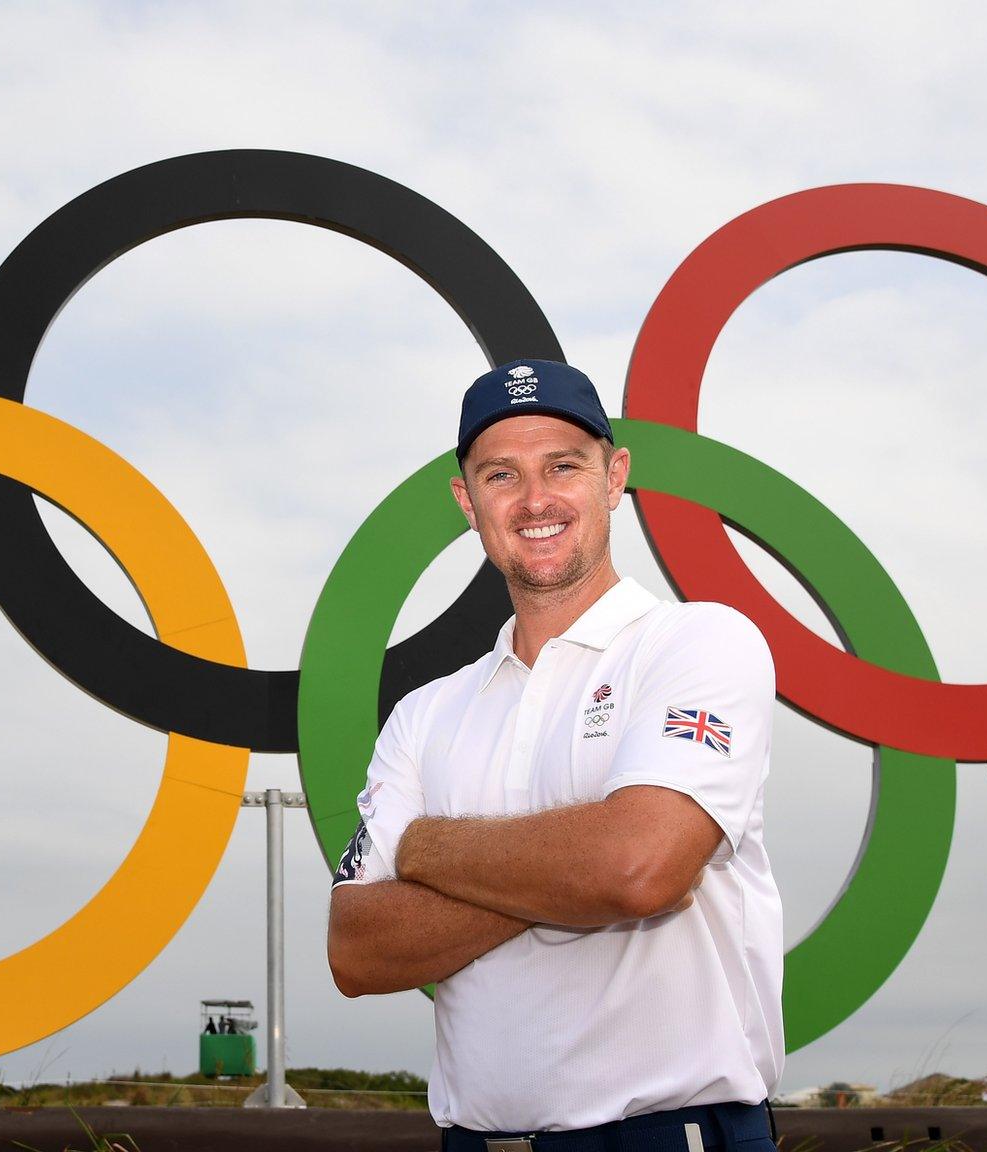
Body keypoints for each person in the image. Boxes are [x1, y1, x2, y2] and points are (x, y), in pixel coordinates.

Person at [326, 359, 783, 1151]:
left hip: (670, 1137)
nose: (535, 501)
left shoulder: (700, 642)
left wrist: (426, 848)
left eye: (563, 466)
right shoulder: (424, 714)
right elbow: (358, 949)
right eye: (501, 474)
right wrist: (581, 873)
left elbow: (637, 868)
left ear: (615, 476)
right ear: (467, 501)